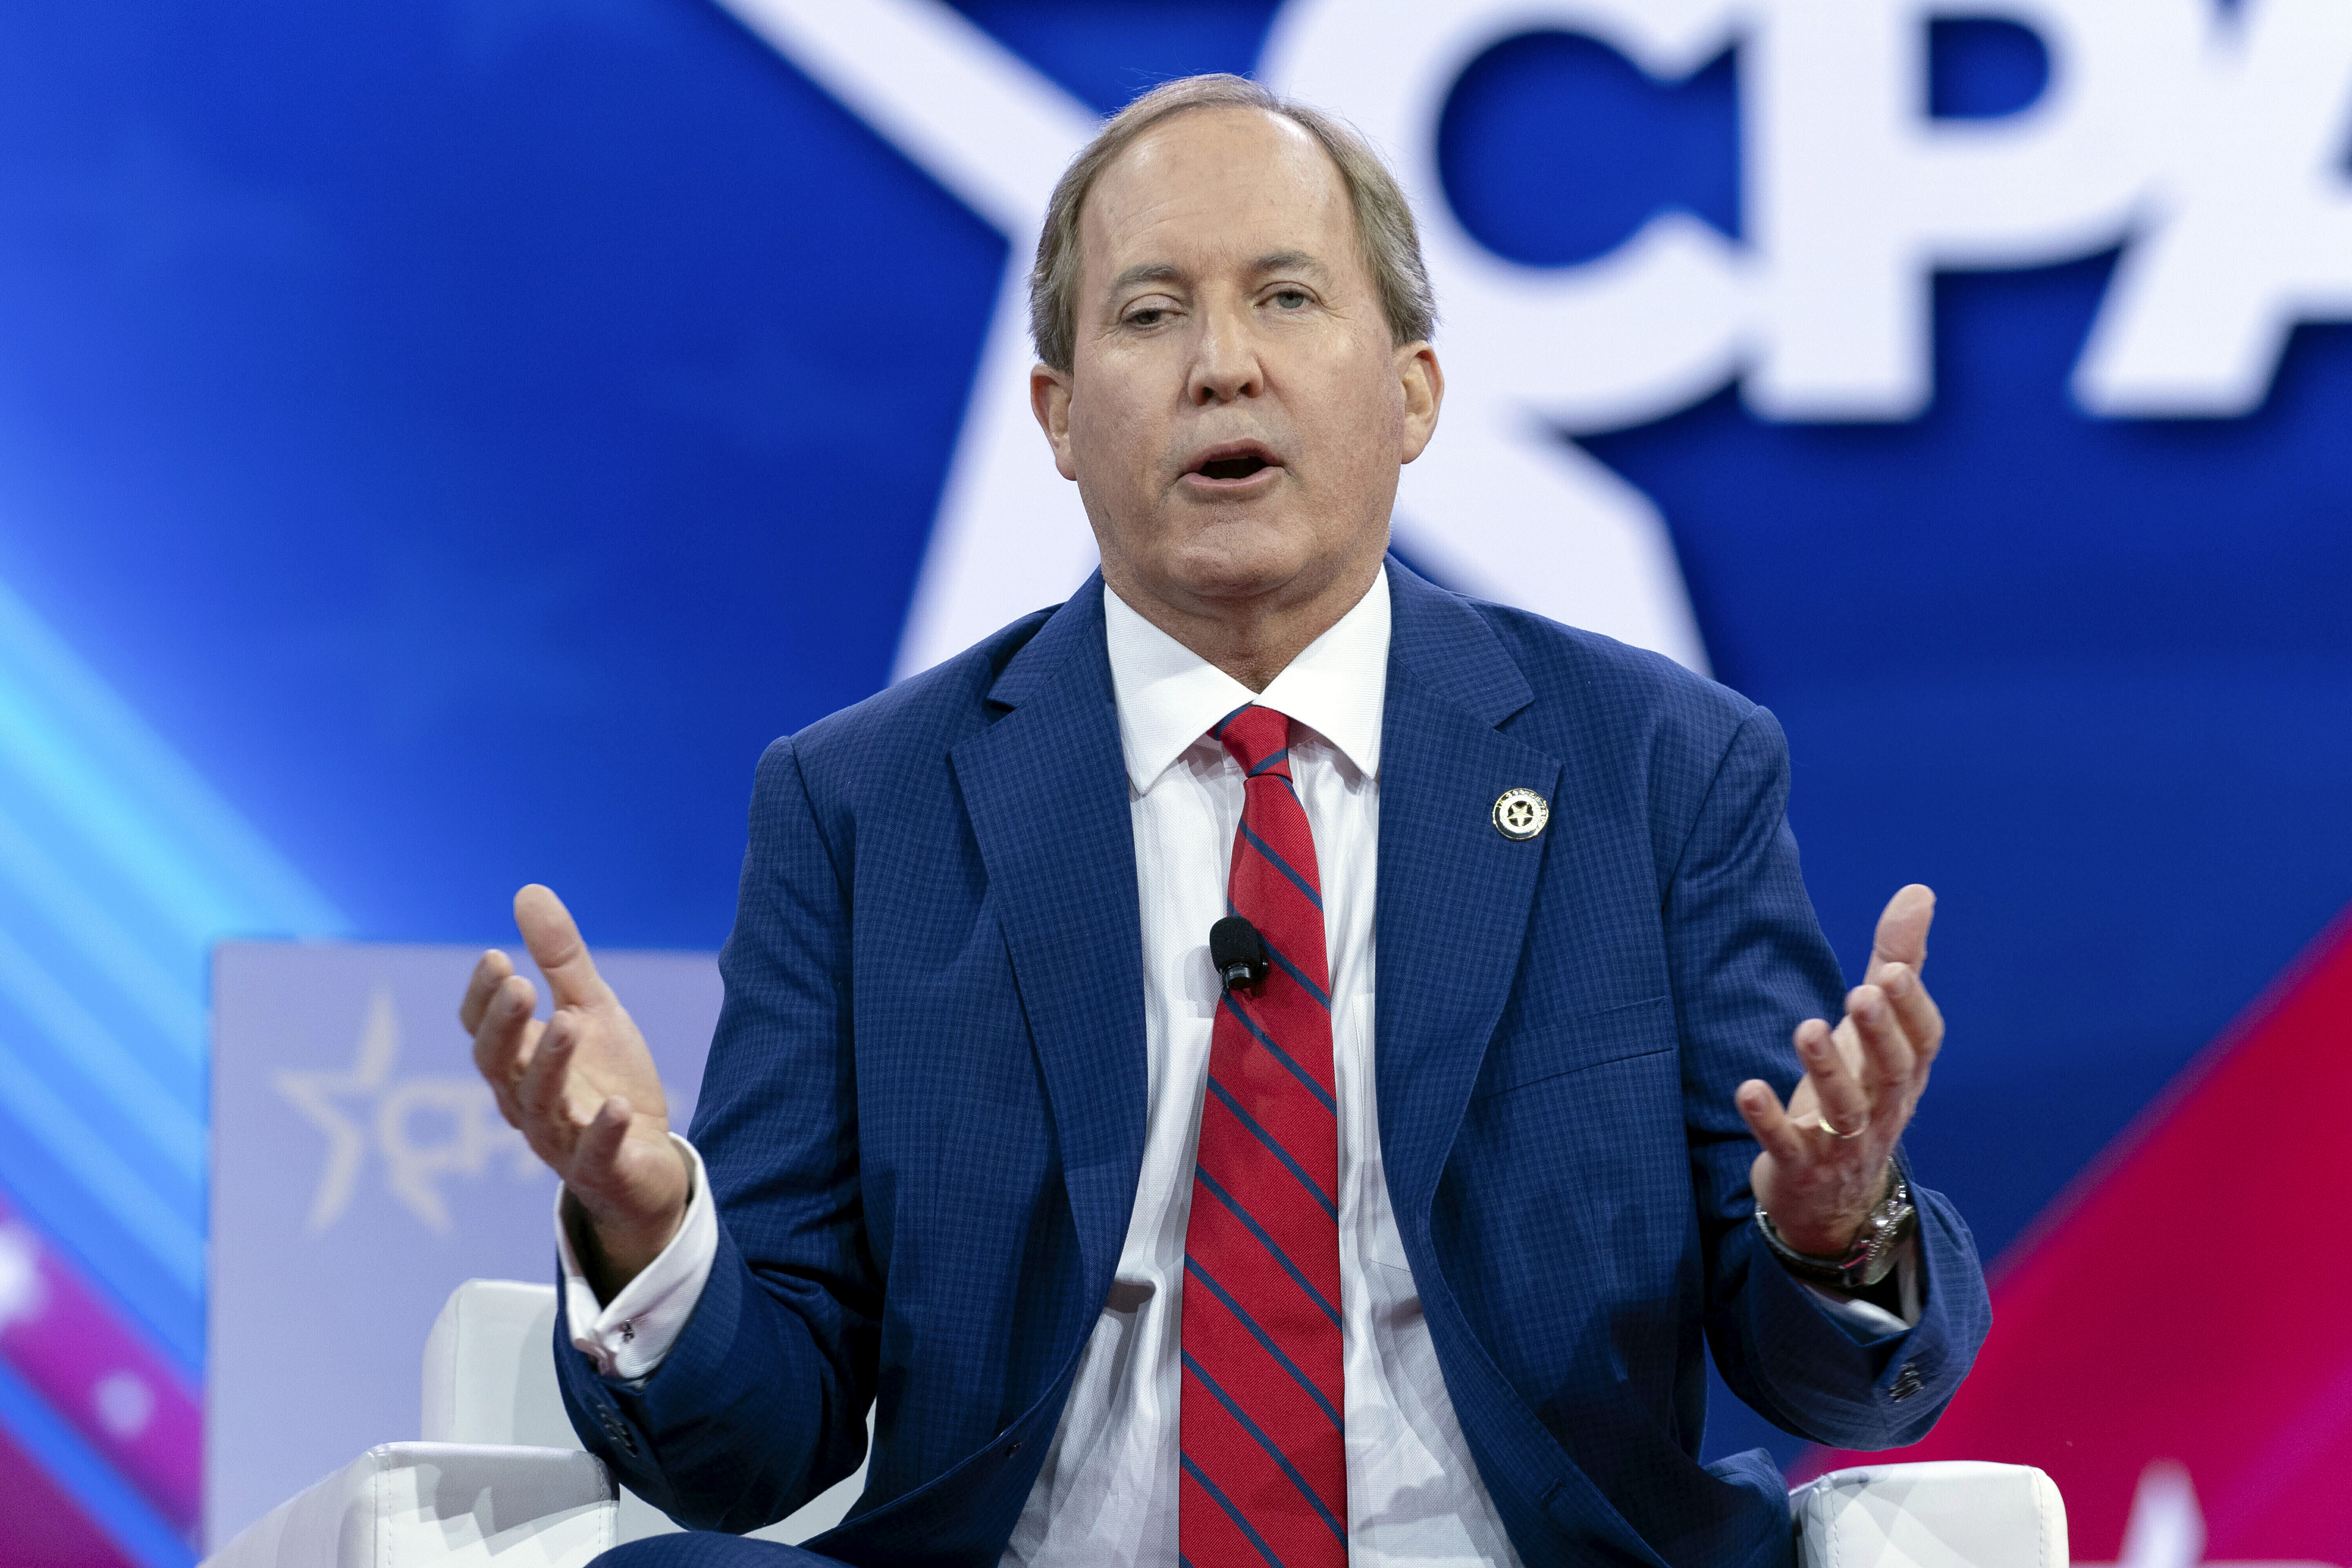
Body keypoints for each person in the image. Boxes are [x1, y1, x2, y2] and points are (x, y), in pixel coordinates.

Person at [462, 73, 1987, 1568]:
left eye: (1286, 297)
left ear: (1413, 392)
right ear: (1059, 418)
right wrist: (655, 1232)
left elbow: (1823, 1378)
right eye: (1148, 313)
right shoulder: (866, 805)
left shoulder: (1658, 765)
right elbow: (753, 1452)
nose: (1221, 365)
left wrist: (1836, 1232)